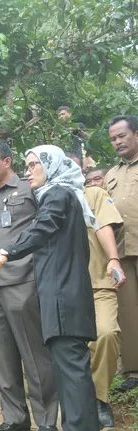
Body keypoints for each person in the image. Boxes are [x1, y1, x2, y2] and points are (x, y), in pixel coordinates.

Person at [0, 145, 101, 431]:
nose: (29, 170)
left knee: (73, 377)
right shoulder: (61, 195)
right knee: (69, 375)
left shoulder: (58, 195)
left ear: (52, 165)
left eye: (35, 164)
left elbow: (43, 227)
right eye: (28, 164)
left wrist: (6, 252)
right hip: (61, 299)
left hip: (64, 300)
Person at [0, 140, 59, 431]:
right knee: (1, 356)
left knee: (34, 352)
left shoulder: (30, 188)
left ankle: (47, 418)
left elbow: (45, 230)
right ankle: (14, 417)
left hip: (24, 279)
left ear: (7, 161)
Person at [68, 151, 126, 428]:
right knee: (67, 344)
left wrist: (113, 259)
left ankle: (99, 398)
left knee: (106, 333)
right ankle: (75, 400)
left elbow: (103, 224)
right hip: (63, 286)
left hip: (98, 282)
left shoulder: (93, 195)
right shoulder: (43, 199)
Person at [104, 115, 138, 393]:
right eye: (113, 138)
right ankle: (133, 370)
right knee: (128, 312)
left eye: (122, 136)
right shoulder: (111, 174)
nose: (117, 142)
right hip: (123, 251)